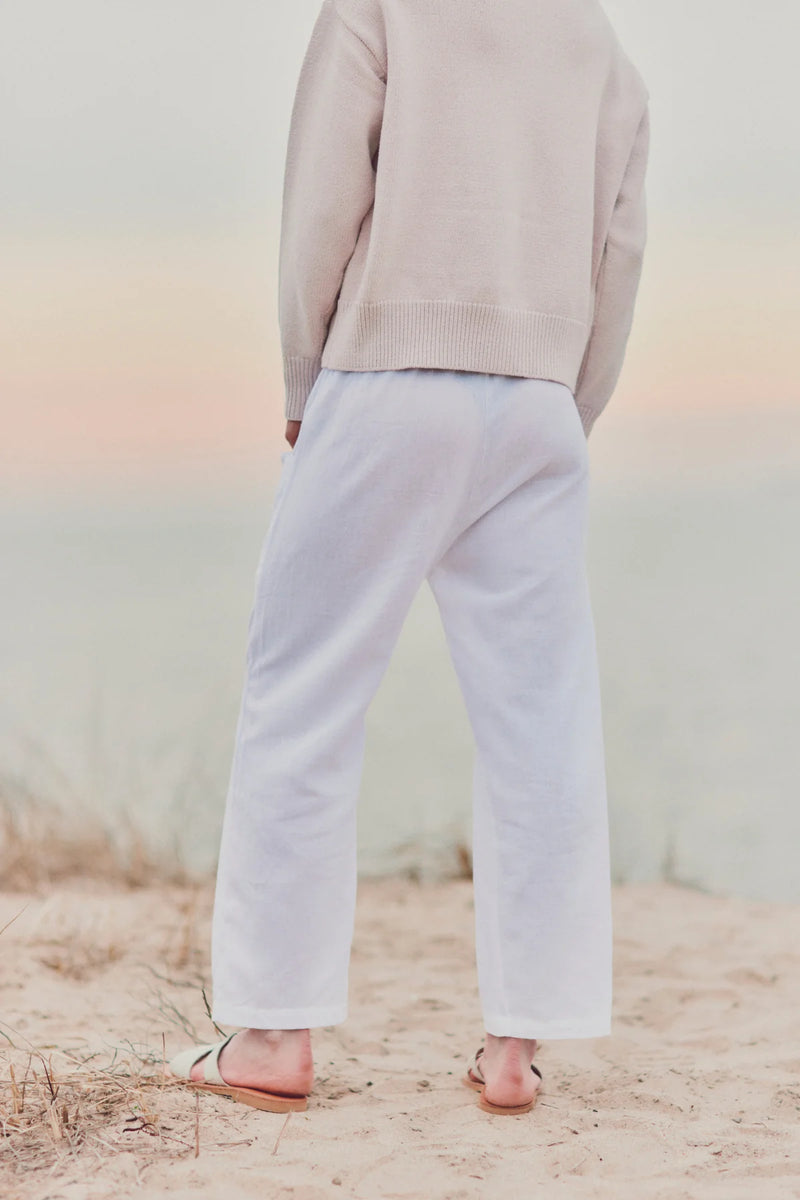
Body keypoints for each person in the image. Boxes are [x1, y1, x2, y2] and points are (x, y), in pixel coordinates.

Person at [168, 0, 650, 1116]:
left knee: (304, 692)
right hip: (536, 397)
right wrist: (559, 409)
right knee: (539, 724)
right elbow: (618, 250)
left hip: (387, 373)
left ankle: (272, 1034)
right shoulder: (595, 40)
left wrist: (304, 378)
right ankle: (516, 1050)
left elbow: (323, 205)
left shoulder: (379, 6)